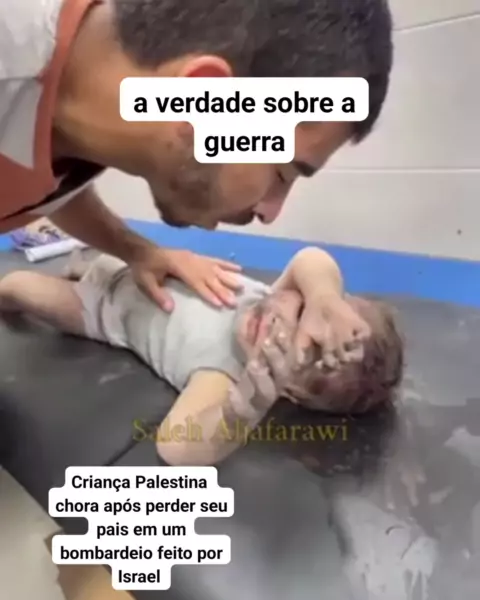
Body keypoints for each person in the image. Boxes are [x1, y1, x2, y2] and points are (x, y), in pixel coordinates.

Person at [0, 0, 393, 361]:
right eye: (282, 172)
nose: (270, 212)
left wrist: (138, 251)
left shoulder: (81, 118)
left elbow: (51, 182)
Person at [0, 246, 404, 465]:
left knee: (17, 285)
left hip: (98, 308)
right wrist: (323, 296)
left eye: (295, 351)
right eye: (302, 312)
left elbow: (176, 447)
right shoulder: (274, 295)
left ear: (291, 392)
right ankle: (81, 264)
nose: (278, 327)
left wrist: (243, 409)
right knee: (92, 257)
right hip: (141, 262)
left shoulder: (223, 376)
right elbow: (311, 258)